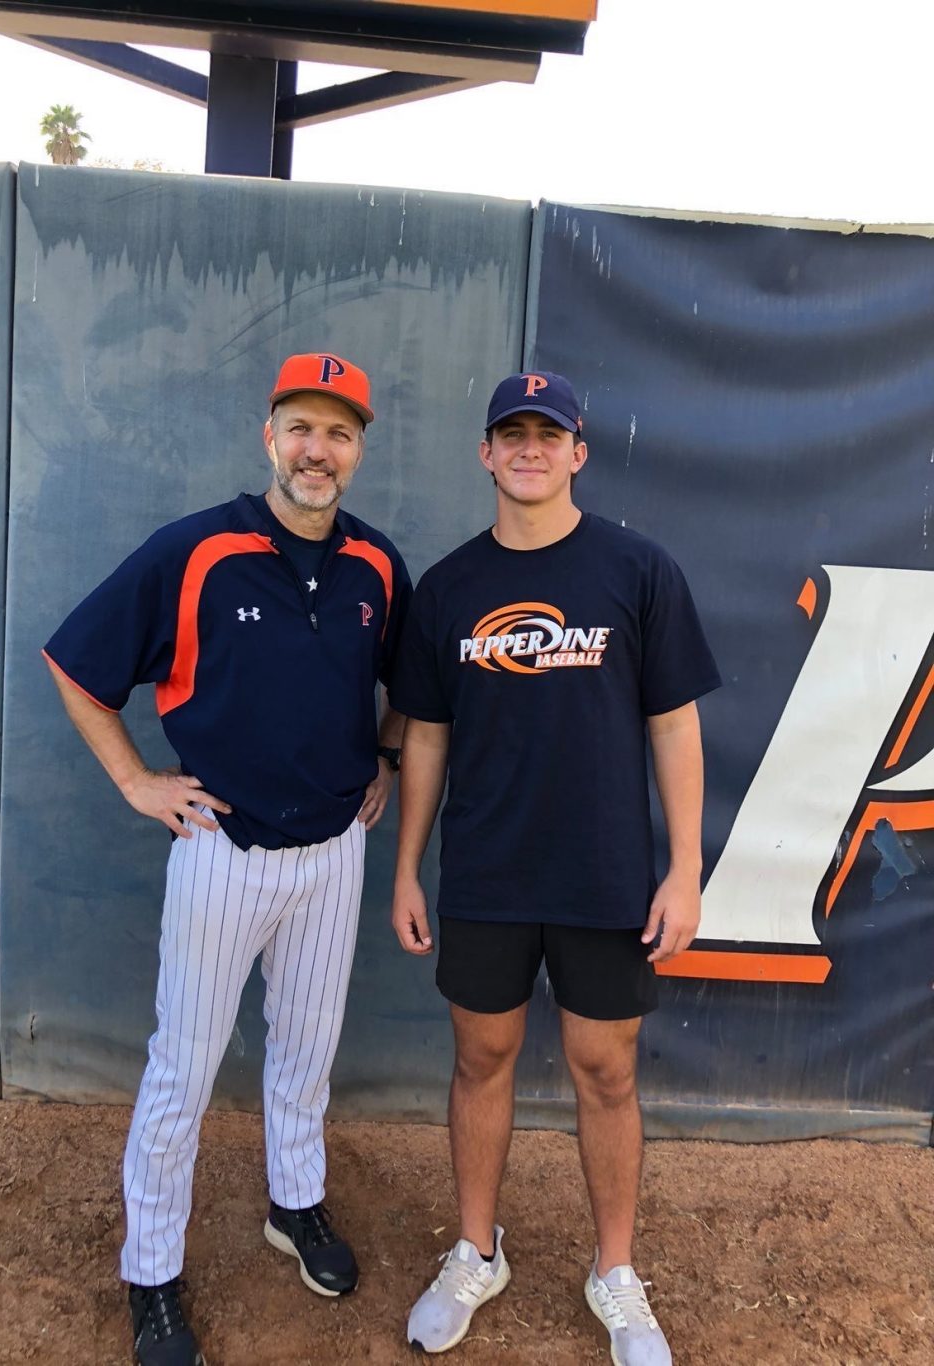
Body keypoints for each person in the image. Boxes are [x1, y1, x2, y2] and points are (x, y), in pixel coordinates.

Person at [43, 352, 411, 1366]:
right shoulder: (198, 548)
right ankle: (151, 1270)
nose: (317, 449)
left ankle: (295, 1205)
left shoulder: (375, 563)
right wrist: (134, 781)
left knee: (304, 1055)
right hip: (220, 844)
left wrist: (380, 755)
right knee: (183, 1070)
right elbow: (76, 666)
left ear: (358, 450)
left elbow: (409, 686)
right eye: (301, 425)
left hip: (334, 849)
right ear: (269, 435)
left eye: (338, 432)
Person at [389, 371, 720, 1363]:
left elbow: (674, 723)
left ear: (578, 452)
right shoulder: (447, 588)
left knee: (604, 1070)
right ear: (485, 453)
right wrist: (405, 866)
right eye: (510, 434)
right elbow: (426, 741)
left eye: (549, 433)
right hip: (486, 870)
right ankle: (475, 1250)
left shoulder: (637, 569)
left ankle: (614, 1270)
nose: (529, 449)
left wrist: (686, 866)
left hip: (606, 874)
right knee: (481, 1060)